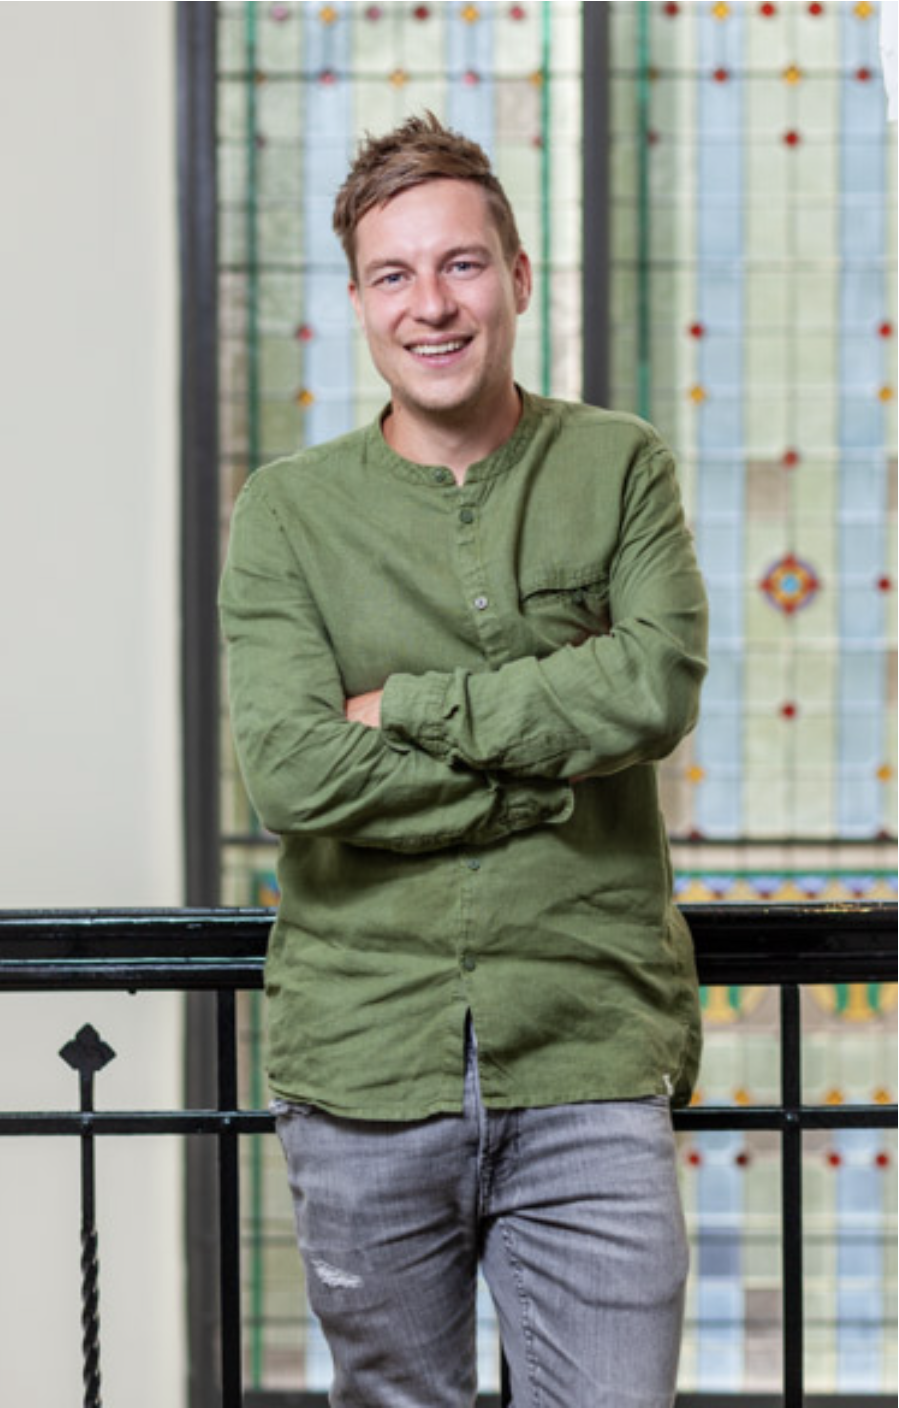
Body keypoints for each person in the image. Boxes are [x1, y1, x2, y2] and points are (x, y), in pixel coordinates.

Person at [219, 113, 708, 1408]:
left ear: (519, 276)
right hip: (365, 1061)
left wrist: (412, 707)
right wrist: (550, 763)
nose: (431, 305)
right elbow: (291, 774)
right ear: (360, 305)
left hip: (591, 1053)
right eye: (394, 274)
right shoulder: (286, 512)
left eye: (462, 265)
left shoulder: (619, 466)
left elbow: (653, 684)